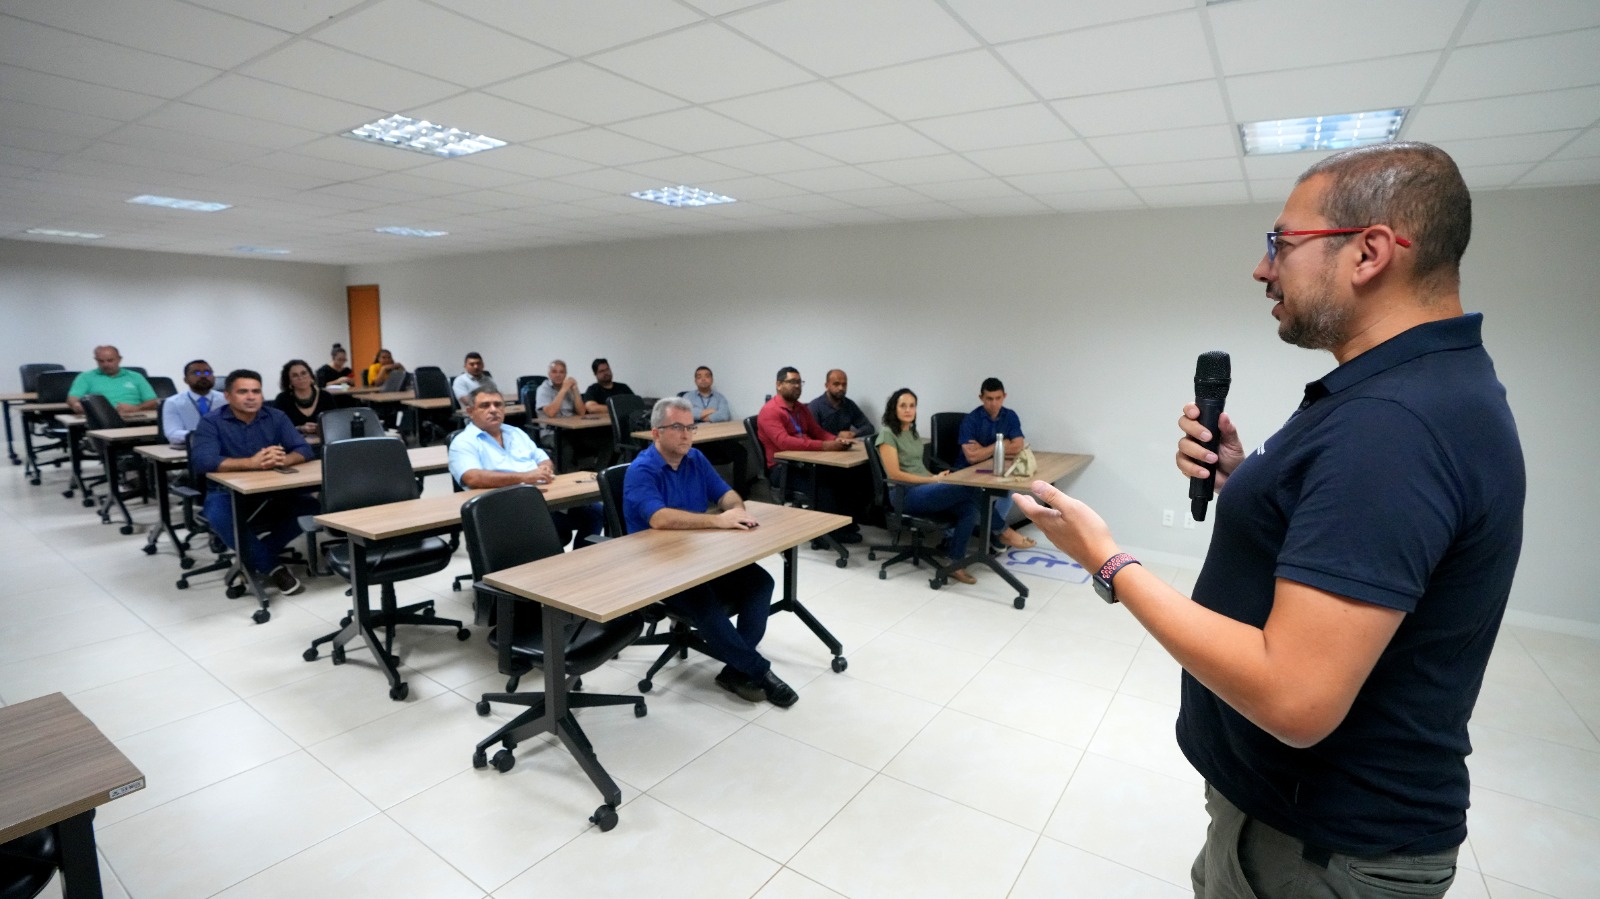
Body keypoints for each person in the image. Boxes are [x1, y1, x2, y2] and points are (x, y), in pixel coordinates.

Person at [1014, 142, 1523, 899]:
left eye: (1281, 243)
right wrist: (1249, 482)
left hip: (1318, 849)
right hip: (1292, 819)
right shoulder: (1423, 388)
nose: (1262, 269)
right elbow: (1352, 530)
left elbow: (1295, 697)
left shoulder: (1392, 425)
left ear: (1370, 252)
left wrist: (1108, 561)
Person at [623, 397, 798, 707]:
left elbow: (726, 494)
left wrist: (736, 510)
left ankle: (734, 670)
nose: (686, 434)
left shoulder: (695, 458)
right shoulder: (642, 470)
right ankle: (759, 672)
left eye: (690, 427)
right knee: (705, 603)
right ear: (656, 433)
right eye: (677, 427)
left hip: (699, 557)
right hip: (659, 568)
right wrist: (718, 520)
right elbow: (659, 518)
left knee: (761, 582)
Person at [192, 369, 318, 596]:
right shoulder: (212, 422)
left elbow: (304, 449)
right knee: (217, 516)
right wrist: (251, 462)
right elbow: (203, 461)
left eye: (256, 391)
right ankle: (272, 567)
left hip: (271, 489)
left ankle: (255, 557)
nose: (251, 397)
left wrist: (283, 459)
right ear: (228, 396)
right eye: (243, 392)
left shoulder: (276, 417)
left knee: (312, 507)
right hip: (226, 492)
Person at [448, 387, 602, 547]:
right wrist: (525, 477)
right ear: (470, 411)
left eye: (498, 404)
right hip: (501, 511)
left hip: (539, 501)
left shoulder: (516, 433)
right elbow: (472, 477)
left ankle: (583, 559)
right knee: (543, 530)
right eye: (485, 405)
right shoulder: (463, 442)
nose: (493, 410)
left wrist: (545, 468)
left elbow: (542, 458)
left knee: (594, 511)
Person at [873, 388, 980, 585]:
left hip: (922, 489)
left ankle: (955, 563)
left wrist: (936, 477)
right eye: (903, 406)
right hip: (903, 494)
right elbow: (894, 474)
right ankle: (1001, 531)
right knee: (966, 488)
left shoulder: (912, 432)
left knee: (969, 509)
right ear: (894, 408)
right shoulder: (887, 434)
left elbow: (919, 469)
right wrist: (933, 481)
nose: (908, 410)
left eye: (912, 406)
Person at [755, 366, 860, 542]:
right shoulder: (770, 411)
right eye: (792, 382)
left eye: (799, 382)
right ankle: (829, 535)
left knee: (845, 475)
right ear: (779, 385)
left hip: (804, 463)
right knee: (824, 484)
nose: (797, 386)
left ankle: (843, 524)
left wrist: (837, 440)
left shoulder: (801, 408)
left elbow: (817, 431)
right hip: (782, 469)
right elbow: (785, 443)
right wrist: (825, 446)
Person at [957, 377, 1034, 549]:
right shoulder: (971, 420)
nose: (994, 403)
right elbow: (972, 458)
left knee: (1008, 491)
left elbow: (1018, 446)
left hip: (994, 468)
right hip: (968, 471)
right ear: (981, 398)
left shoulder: (1010, 416)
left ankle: (992, 533)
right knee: (979, 493)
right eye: (989, 399)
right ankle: (1000, 533)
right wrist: (1000, 444)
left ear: (1004, 396)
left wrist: (984, 450)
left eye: (998, 398)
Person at [685, 365, 747, 493]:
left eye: (707, 376)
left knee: (741, 452)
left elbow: (724, 415)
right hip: (696, 441)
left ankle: (740, 493)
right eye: (699, 377)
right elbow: (685, 413)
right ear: (695, 380)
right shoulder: (687, 397)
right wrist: (708, 412)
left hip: (717, 439)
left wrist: (699, 415)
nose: (703, 379)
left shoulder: (720, 397)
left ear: (712, 380)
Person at [66, 345, 157, 415]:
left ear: (119, 359)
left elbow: (152, 401)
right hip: (100, 418)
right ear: (96, 360)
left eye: (110, 360)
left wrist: (136, 408)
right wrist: (75, 404)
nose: (105, 365)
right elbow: (72, 398)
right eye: (101, 361)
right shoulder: (85, 377)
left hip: (134, 416)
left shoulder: (136, 377)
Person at [273, 359, 345, 438]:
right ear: (289, 381)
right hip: (295, 443)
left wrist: (321, 428)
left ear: (311, 376)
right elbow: (277, 427)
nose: (300, 378)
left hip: (324, 442)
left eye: (304, 373)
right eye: (295, 375)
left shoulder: (325, 396)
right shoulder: (282, 399)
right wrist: (300, 428)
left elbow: (335, 424)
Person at [162, 359, 224, 446]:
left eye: (207, 372)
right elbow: (172, 434)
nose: (203, 376)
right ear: (185, 380)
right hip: (192, 447)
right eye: (196, 373)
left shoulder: (226, 400)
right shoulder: (173, 402)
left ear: (214, 377)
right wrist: (201, 435)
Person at [807, 369, 876, 438]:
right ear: (827, 385)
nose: (841, 388)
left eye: (844, 384)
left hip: (846, 444)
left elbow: (869, 427)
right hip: (825, 444)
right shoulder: (815, 406)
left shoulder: (849, 405)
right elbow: (812, 434)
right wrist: (837, 436)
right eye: (836, 384)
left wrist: (853, 434)